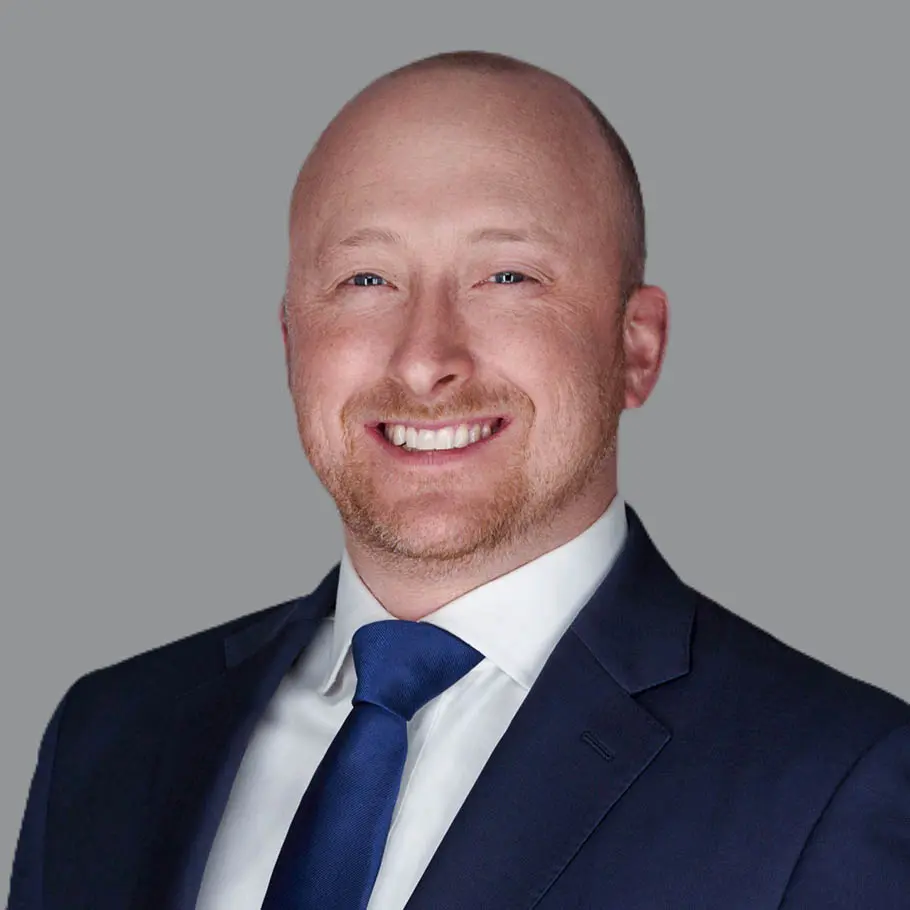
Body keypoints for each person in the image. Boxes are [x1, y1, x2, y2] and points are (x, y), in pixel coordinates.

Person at [8, 50, 910, 910]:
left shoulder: (836, 780)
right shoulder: (109, 738)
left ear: (637, 346)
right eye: (366, 278)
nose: (426, 358)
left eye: (506, 275)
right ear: (291, 343)